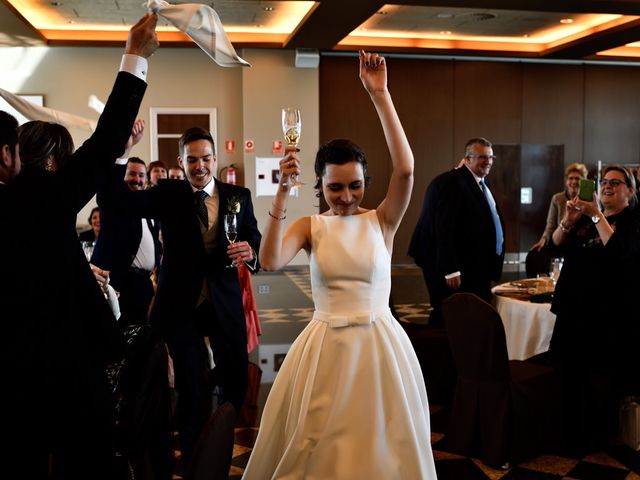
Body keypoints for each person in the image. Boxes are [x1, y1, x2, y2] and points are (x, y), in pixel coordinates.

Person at [243, 51, 437, 479]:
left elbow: (405, 170)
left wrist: (380, 95)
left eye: (354, 185)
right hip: (326, 345)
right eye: (335, 188)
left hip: (379, 345)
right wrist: (280, 194)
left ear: (365, 182)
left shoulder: (382, 221)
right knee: (321, 447)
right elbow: (271, 260)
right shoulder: (311, 226)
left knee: (384, 446)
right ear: (320, 185)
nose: (346, 197)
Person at [0, 13, 157, 479]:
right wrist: (135, 56)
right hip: (62, 374)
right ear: (9, 155)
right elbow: (104, 141)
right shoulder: (37, 196)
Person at [97, 126, 261, 467]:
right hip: (181, 305)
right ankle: (192, 461)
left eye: (204, 159)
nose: (199, 166)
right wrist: (121, 154)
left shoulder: (238, 196)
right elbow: (115, 202)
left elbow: (253, 239)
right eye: (191, 160)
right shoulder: (168, 194)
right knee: (190, 387)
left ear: (214, 159)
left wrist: (251, 253)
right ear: (181, 161)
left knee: (234, 383)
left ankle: (223, 449)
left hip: (223, 303)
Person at [549, 165, 640, 455]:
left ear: (630, 190)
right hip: (572, 311)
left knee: (597, 380)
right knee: (567, 375)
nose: (607, 186)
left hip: (604, 317)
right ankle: (568, 433)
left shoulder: (633, 221)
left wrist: (597, 214)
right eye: (604, 182)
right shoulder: (586, 221)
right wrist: (568, 219)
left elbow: (618, 252)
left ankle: (595, 438)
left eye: (616, 182)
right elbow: (556, 246)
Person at [408, 137, 505, 325]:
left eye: (491, 157)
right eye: (482, 157)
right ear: (467, 159)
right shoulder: (452, 183)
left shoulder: (478, 181)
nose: (488, 161)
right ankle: (440, 351)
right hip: (452, 266)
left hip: (473, 262)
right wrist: (451, 269)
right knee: (451, 314)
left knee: (469, 314)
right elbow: (443, 228)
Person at [92, 146, 163, 328]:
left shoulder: (150, 207)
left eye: (141, 175)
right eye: (132, 174)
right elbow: (106, 195)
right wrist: (123, 154)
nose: (136, 179)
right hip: (120, 283)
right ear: (123, 176)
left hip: (144, 285)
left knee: (143, 339)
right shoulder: (115, 205)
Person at [530, 162, 588, 251]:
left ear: (584, 181)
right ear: (566, 181)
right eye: (570, 178)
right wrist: (544, 239)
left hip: (582, 246)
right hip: (561, 242)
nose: (574, 181)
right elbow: (551, 225)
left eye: (577, 178)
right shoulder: (557, 198)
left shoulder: (588, 201)